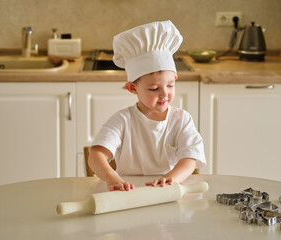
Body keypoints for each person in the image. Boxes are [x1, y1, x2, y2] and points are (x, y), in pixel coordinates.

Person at [88, 20, 206, 191]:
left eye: (170, 85)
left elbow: (190, 159)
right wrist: (111, 176)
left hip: (168, 191)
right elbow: (96, 155)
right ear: (132, 88)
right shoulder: (123, 120)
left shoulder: (181, 120)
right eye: (154, 88)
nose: (164, 94)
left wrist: (170, 179)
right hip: (128, 192)